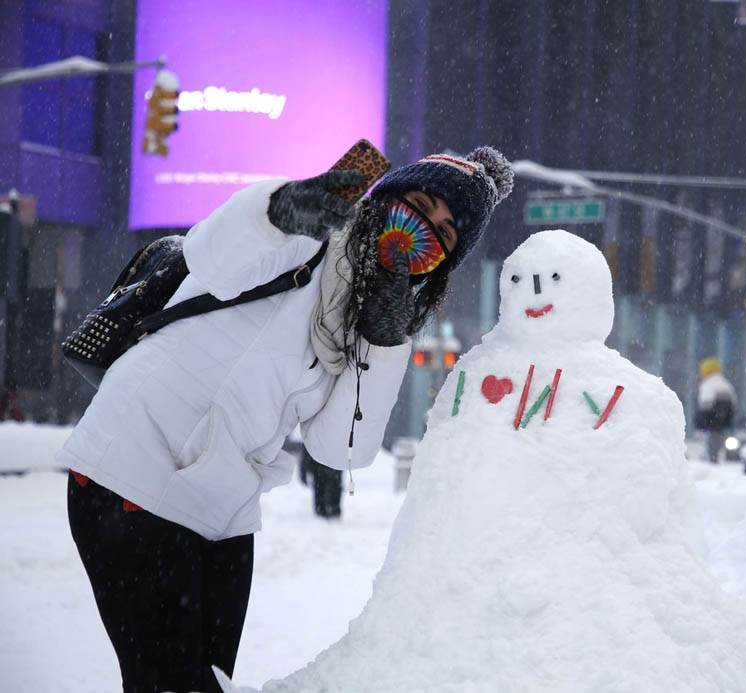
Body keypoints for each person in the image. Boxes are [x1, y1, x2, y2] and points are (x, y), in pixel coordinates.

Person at [59, 146, 513, 692]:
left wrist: (384, 337)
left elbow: (340, 449)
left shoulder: (370, 319)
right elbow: (212, 256)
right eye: (420, 203)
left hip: (224, 514)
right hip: (132, 472)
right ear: (389, 196)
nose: (423, 228)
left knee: (210, 683)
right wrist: (284, 207)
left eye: (444, 232)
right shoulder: (312, 239)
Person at [695, 357, 736, 463]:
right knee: (720, 450)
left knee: (710, 452)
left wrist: (700, 426)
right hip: (723, 427)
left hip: (710, 427)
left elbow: (705, 408)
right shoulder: (726, 385)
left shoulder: (708, 385)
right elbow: (732, 408)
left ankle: (712, 465)